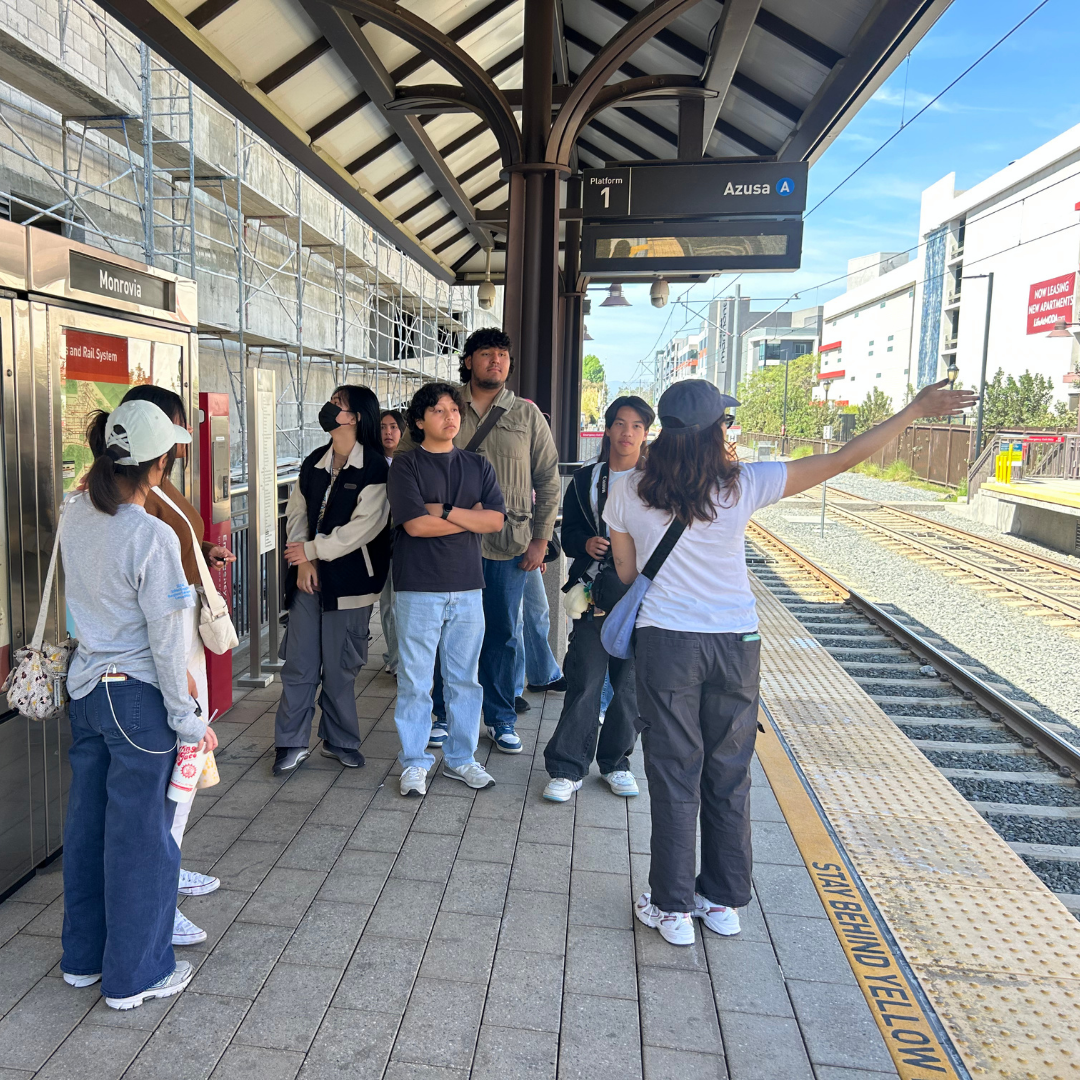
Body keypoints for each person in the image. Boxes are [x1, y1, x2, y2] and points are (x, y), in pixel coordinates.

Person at [605, 378, 977, 946]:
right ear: (715, 432)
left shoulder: (628, 487)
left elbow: (628, 574)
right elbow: (842, 457)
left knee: (674, 768)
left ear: (661, 431)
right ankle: (723, 901)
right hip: (736, 643)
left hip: (668, 643)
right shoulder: (745, 483)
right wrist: (915, 410)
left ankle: (672, 907)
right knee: (728, 772)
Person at [60, 399, 217, 1009]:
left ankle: (82, 959)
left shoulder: (74, 512)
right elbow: (166, 634)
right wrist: (188, 719)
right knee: (141, 838)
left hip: (86, 691)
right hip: (137, 700)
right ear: (157, 464)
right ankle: (136, 975)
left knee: (88, 827)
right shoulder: (149, 534)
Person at [86, 384, 235, 949]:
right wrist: (186, 692)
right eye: (173, 432)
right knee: (166, 781)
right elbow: (147, 587)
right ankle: (157, 898)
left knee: (174, 781)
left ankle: (166, 871)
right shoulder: (136, 501)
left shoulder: (145, 491)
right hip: (152, 661)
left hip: (149, 656)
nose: (180, 444)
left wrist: (203, 555)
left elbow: (174, 548)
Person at [394, 329, 560, 754]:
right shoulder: (443, 405)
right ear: (468, 360)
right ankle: (443, 714)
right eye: (486, 354)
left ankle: (501, 716)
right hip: (443, 549)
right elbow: (410, 461)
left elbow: (548, 479)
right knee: (439, 636)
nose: (496, 361)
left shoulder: (526, 415)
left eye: (503, 354)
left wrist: (541, 539)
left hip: (507, 545)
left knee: (504, 632)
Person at [387, 382, 505, 796]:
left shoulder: (477, 465)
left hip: (468, 585)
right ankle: (415, 762)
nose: (449, 416)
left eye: (454, 409)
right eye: (438, 410)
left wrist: (447, 511)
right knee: (417, 680)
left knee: (464, 680)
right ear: (419, 421)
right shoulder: (405, 466)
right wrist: (468, 516)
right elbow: (415, 525)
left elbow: (495, 521)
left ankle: (461, 758)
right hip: (418, 586)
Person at [274, 386, 392, 775]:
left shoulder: (374, 467)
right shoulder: (314, 461)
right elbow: (296, 512)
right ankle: (290, 742)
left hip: (351, 585)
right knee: (299, 664)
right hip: (307, 581)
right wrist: (303, 559)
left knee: (341, 669)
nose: (329, 408)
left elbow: (363, 529)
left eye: (338, 404)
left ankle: (340, 740)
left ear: (355, 416)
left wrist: (313, 552)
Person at [543, 395, 654, 802]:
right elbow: (567, 531)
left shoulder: (657, 480)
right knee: (586, 677)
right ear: (608, 429)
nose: (627, 433)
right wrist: (583, 543)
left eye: (637, 426)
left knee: (629, 686)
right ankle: (567, 766)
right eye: (620, 424)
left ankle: (616, 763)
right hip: (594, 593)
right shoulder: (587, 478)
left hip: (643, 598)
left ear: (646, 433)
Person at [379, 409, 405, 676]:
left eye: (393, 427)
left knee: (397, 604)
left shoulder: (409, 461)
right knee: (386, 605)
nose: (388, 432)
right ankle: (392, 653)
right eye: (384, 427)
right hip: (379, 544)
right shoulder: (373, 463)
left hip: (403, 541)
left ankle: (398, 660)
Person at [516, 567, 565, 701]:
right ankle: (512, 689)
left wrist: (540, 549)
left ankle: (543, 674)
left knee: (538, 611)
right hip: (506, 551)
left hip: (527, 548)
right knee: (515, 619)